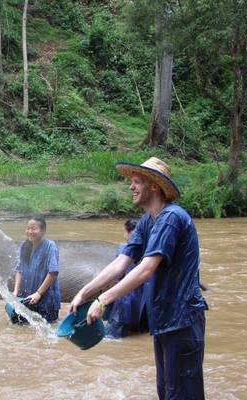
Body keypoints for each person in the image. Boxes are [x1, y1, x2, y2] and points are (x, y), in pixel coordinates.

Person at [70, 157, 207, 400]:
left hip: (183, 319)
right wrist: (84, 292)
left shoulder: (171, 218)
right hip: (164, 319)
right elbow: (121, 261)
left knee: (182, 394)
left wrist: (103, 300)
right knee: (166, 391)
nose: (131, 187)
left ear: (154, 186)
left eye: (136, 182)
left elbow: (146, 269)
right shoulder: (148, 221)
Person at [104, 218, 149, 339]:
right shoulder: (148, 250)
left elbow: (116, 275)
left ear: (129, 233)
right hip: (144, 303)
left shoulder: (124, 249)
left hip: (124, 301)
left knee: (110, 337)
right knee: (140, 335)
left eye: (124, 231)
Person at [12, 216, 60, 323]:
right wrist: (15, 291)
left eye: (33, 229)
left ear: (43, 231)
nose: (30, 231)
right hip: (27, 298)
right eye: (28, 228)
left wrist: (39, 293)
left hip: (45, 300)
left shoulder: (50, 246)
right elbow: (19, 270)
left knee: (47, 329)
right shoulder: (24, 246)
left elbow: (53, 272)